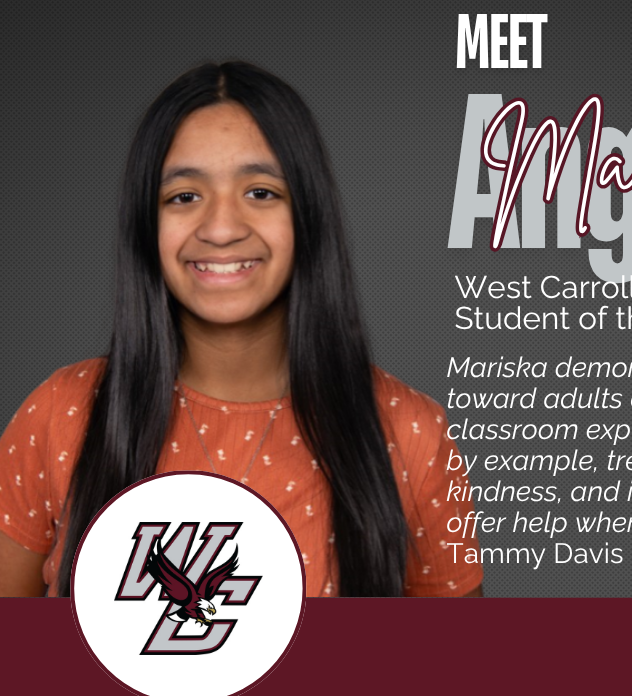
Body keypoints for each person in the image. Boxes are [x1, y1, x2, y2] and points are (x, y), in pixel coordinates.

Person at [0, 62, 483, 598]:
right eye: (184, 196)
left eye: (261, 193)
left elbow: (465, 674)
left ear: (307, 215)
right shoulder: (60, 416)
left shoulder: (411, 433)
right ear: (146, 223)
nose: (222, 229)